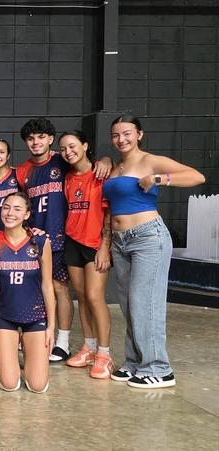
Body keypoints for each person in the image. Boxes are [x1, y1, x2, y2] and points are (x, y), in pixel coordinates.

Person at [104, 115, 205, 388]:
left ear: (139, 134)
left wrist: (160, 178)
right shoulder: (115, 166)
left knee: (144, 302)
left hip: (148, 237)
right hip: (120, 240)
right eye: (115, 135)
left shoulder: (149, 160)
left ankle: (160, 369)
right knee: (128, 304)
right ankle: (135, 362)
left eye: (127, 133)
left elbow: (197, 176)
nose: (121, 139)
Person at [17, 118, 111, 363]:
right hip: (35, 238)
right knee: (38, 289)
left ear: (50, 140)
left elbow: (90, 163)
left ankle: (63, 342)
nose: (36, 142)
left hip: (61, 237)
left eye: (41, 137)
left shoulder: (63, 160)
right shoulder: (23, 170)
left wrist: (106, 160)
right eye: (30, 138)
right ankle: (38, 336)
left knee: (62, 290)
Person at [0, 192, 56, 393]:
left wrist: (51, 327)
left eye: (17, 209)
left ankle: (29, 347)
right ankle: (11, 350)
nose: (10, 213)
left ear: (26, 215)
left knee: (37, 386)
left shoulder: (41, 242)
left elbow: (48, 286)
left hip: (34, 315)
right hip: (4, 316)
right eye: (6, 207)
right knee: (10, 384)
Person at [59, 131, 114, 379]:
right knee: (80, 297)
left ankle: (104, 354)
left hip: (95, 244)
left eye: (72, 146)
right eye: (63, 148)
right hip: (73, 241)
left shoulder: (101, 174)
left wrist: (105, 245)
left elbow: (109, 213)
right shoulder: (69, 178)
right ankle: (89, 348)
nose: (68, 151)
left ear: (84, 144)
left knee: (95, 297)